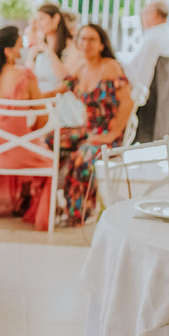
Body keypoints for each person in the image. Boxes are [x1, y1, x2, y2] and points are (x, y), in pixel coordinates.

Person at [54, 24, 134, 224]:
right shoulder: (81, 67)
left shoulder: (110, 66)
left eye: (91, 39)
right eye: (82, 38)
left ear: (101, 44)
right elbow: (63, 86)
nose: (85, 43)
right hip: (87, 129)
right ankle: (48, 204)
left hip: (108, 132)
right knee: (49, 141)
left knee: (83, 155)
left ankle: (79, 213)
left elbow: (128, 102)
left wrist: (113, 133)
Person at [0, 25, 54, 227]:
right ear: (8, 51)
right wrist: (28, 135)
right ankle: (33, 211)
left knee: (33, 146)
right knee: (50, 162)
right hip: (21, 151)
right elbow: (42, 120)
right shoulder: (26, 75)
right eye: (19, 45)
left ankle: (11, 204)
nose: (22, 49)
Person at [27, 2, 84, 92]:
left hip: (58, 100)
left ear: (56, 18)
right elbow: (30, 76)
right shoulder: (37, 48)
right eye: (36, 20)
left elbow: (67, 80)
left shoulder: (71, 47)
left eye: (41, 18)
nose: (38, 24)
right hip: (38, 99)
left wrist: (49, 52)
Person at [124, 0, 169, 94]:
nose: (142, 17)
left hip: (147, 97)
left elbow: (141, 75)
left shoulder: (152, 39)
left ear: (155, 14)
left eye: (145, 12)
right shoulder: (166, 35)